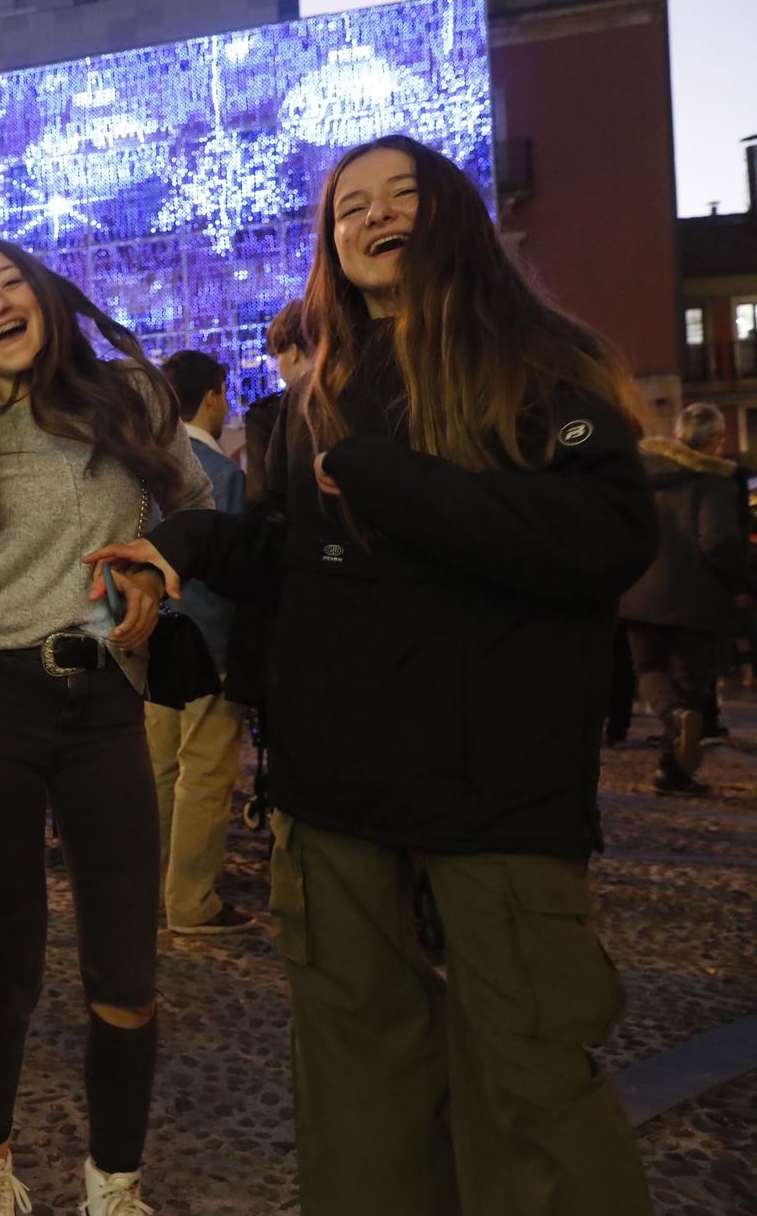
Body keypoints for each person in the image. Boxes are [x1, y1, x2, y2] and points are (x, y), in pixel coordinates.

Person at [88, 134, 656, 1216]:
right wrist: (185, 547)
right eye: (348, 206)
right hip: (334, 784)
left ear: (451, 216)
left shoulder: (540, 364)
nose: (372, 215)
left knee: (528, 1081)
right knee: (357, 1078)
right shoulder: (317, 398)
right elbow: (297, 559)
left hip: (496, 788)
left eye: (400, 195)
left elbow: (601, 537)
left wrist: (390, 480)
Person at [0, 237, 208, 1216]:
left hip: (104, 700)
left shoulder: (131, 401)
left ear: (44, 295)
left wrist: (152, 565)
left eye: (7, 282)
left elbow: (199, 509)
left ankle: (113, 1185)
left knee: (127, 965)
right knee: (8, 959)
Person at [146, 350, 257, 937]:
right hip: (210, 643)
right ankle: (190, 901)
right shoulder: (224, 474)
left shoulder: (146, 469)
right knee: (206, 773)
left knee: (159, 770)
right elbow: (239, 574)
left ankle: (151, 886)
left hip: (152, 638)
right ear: (214, 395)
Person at [618, 402, 748, 796]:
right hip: (695, 598)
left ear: (677, 435)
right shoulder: (712, 480)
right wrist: (739, 584)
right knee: (691, 681)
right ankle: (672, 771)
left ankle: (674, 717)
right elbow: (718, 541)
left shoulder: (643, 474)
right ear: (714, 440)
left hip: (642, 593)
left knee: (649, 670)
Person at [242, 301, 310, 506]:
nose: (278, 366)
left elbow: (259, 496)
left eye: (277, 355)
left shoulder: (265, 415)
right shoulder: (351, 396)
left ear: (293, 351)